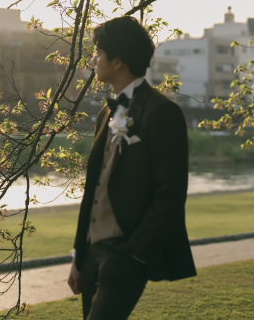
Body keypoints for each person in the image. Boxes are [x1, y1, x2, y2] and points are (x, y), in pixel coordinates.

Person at [67, 16, 197, 319]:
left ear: (118, 61)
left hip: (125, 256)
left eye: (99, 53)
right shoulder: (105, 112)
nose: (94, 59)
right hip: (90, 255)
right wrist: (77, 256)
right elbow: (94, 188)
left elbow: (171, 193)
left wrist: (136, 251)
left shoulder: (163, 112)